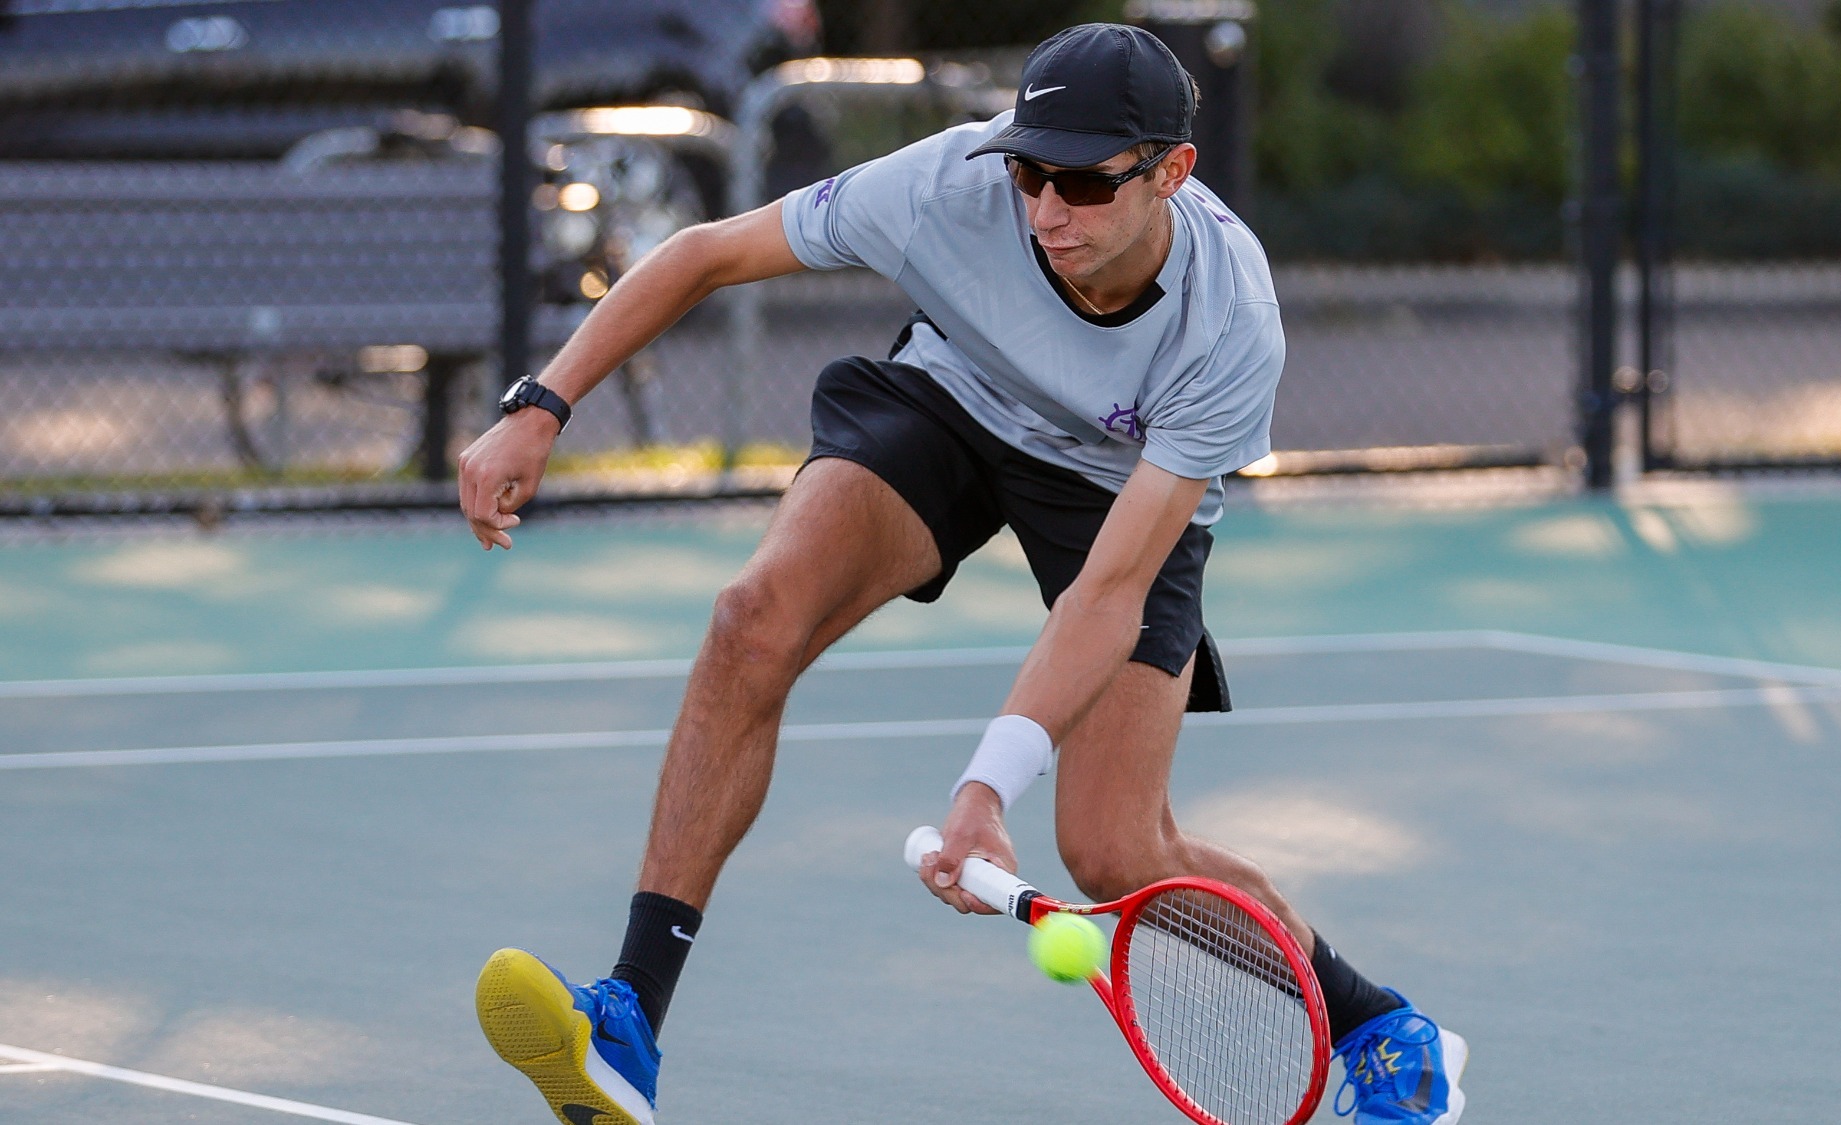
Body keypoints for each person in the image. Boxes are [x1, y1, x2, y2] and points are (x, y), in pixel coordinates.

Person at [458, 23, 1467, 1125]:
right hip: (952, 400)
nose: (1044, 210)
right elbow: (705, 252)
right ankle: (628, 1021)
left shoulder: (1228, 322)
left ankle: (1376, 1025)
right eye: (1030, 170)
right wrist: (539, 406)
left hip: (1114, 486)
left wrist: (984, 790)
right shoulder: (948, 185)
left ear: (1170, 173)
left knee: (1114, 850)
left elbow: (1107, 593)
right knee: (752, 619)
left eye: (1081, 183)